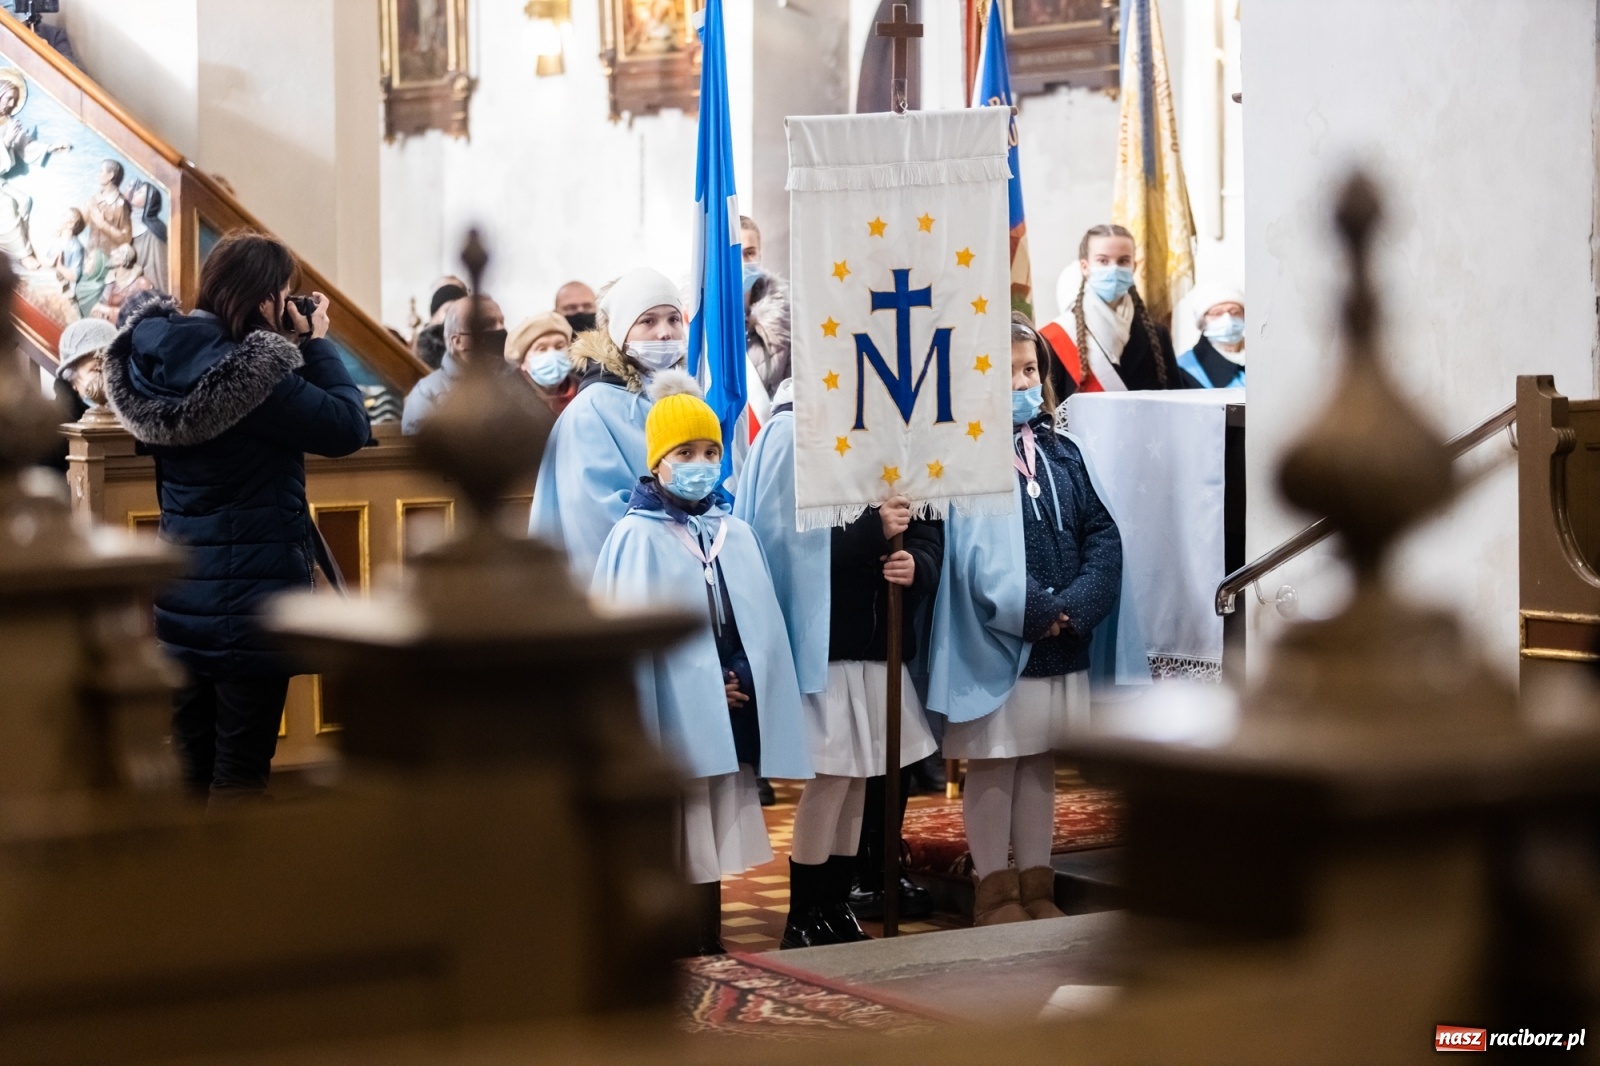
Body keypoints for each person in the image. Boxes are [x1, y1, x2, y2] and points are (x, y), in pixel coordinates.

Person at [101, 231, 371, 803]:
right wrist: (318, 342)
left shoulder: (151, 358)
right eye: (282, 293)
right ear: (263, 297)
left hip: (181, 599)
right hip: (252, 604)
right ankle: (230, 889)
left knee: (190, 765)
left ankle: (181, 888)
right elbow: (349, 427)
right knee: (242, 772)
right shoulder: (255, 375)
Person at [593, 371, 811, 956]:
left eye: (711, 451)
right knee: (679, 829)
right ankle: (674, 947)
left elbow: (753, 620)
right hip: (673, 719)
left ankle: (708, 939)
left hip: (730, 709)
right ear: (658, 461)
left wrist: (738, 672)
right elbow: (637, 639)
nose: (700, 463)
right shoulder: (635, 539)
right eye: (684, 452)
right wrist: (703, 684)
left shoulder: (732, 531)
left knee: (712, 833)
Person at [925, 313, 1125, 925]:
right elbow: (974, 558)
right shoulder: (963, 459)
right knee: (996, 759)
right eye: (1007, 371)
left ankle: (1037, 886)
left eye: (1029, 369)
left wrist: (1081, 605)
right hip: (1003, 638)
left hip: (1063, 638)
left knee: (1039, 761)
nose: (1023, 382)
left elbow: (1101, 532)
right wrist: (1039, 611)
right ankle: (995, 890)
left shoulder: (1063, 452)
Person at [530, 267, 688, 579]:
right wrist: (684, 551)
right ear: (618, 332)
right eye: (648, 321)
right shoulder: (592, 409)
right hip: (638, 578)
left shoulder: (682, 402)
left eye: (673, 319)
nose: (665, 332)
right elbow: (596, 517)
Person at [1039, 223, 1192, 397]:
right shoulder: (1055, 337)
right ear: (1085, 267)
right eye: (1103, 260)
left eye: (1123, 261)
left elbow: (1177, 402)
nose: (1114, 268)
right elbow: (1049, 408)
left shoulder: (1158, 335)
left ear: (1133, 266)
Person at [401, 295, 506, 435]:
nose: (500, 329)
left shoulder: (515, 382)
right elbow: (422, 451)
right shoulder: (427, 393)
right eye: (487, 324)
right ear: (458, 341)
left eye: (501, 321)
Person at [1177, 284, 1246, 389]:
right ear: (1202, 323)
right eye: (1217, 313)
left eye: (1235, 312)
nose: (1227, 319)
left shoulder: (1263, 356)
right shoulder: (1185, 368)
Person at [508, 311, 577, 415]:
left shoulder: (583, 389)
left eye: (559, 346)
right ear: (523, 362)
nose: (552, 354)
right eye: (541, 349)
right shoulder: (508, 397)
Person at [91, 243, 152, 323]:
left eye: (118, 252)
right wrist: (98, 311)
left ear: (123, 260)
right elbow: (102, 304)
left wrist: (111, 311)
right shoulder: (111, 281)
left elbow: (146, 312)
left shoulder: (141, 283)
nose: (112, 253)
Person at [128, 180, 169, 294]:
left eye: (140, 192)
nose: (135, 193)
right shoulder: (127, 218)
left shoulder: (153, 233)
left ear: (149, 200)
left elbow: (156, 273)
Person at [84, 159, 132, 255]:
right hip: (91, 256)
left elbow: (126, 238)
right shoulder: (94, 199)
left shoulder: (121, 204)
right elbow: (82, 221)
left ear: (110, 175)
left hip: (109, 258)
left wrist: (103, 225)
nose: (99, 174)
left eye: (101, 171)